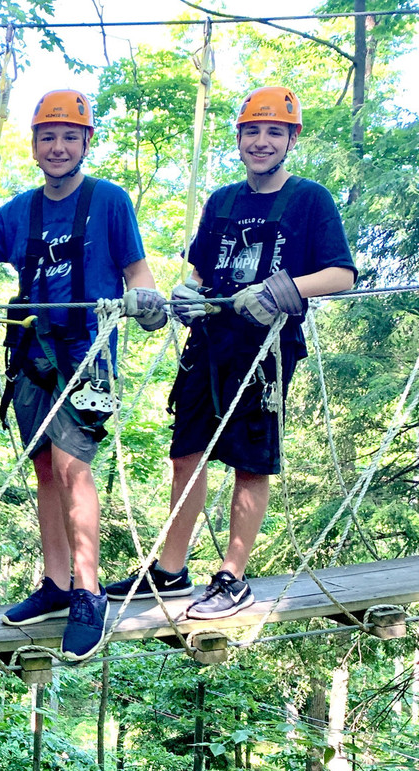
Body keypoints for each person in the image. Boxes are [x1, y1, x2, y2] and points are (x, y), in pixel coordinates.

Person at [105, 86, 357, 618]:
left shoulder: (310, 200)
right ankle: (171, 570)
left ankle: (232, 575)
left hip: (265, 349)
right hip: (209, 344)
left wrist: (283, 291)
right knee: (186, 453)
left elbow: (341, 273)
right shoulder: (222, 201)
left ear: (291, 139)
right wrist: (187, 294)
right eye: (252, 132)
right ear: (239, 138)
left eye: (273, 132)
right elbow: (200, 271)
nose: (261, 142)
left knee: (249, 460)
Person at [0, 90, 167, 661]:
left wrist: (147, 303)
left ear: (86, 142)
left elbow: (136, 270)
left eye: (70, 136)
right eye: (48, 136)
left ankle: (88, 592)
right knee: (45, 467)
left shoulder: (109, 201)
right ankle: (55, 583)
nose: (58, 146)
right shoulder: (19, 210)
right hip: (31, 353)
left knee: (74, 469)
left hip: (87, 353)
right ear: (34, 145)